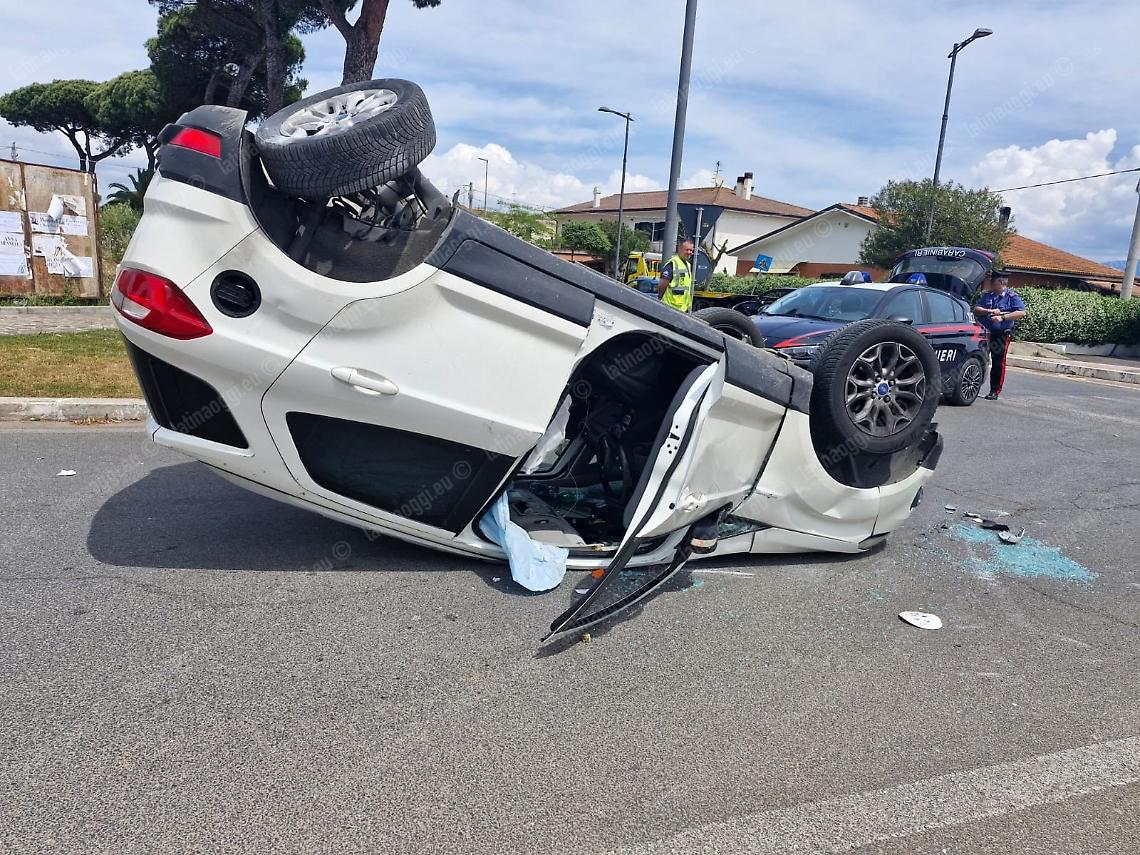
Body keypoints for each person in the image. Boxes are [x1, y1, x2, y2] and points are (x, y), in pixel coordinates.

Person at [972, 269, 1026, 399]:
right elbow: (976, 309)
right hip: (984, 333)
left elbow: (1021, 312)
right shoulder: (988, 295)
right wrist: (989, 310)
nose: (991, 285)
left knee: (998, 363)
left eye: (993, 282)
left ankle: (994, 391)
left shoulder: (1012, 297)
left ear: (1001, 282)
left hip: (1001, 334)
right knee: (978, 358)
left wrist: (1003, 317)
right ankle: (973, 386)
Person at [658, 239, 695, 313]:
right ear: (679, 249)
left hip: (682, 309)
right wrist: (660, 298)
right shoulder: (672, 264)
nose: (689, 252)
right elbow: (662, 284)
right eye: (686, 250)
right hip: (670, 307)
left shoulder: (688, 265)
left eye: (691, 250)